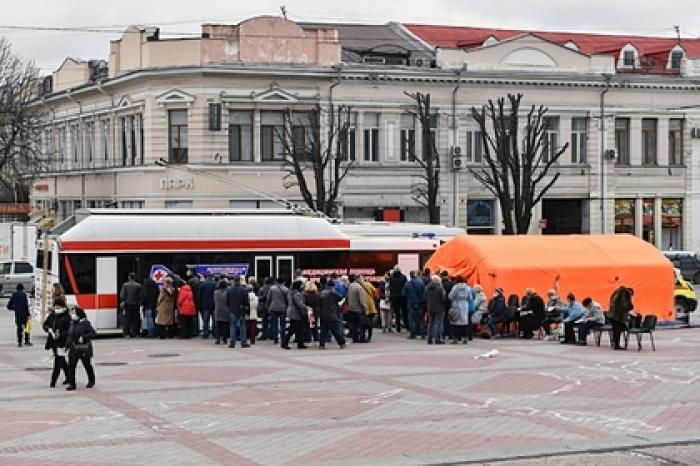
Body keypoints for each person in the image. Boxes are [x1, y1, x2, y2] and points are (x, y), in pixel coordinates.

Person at [65, 307, 97, 391]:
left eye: (74, 313)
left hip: (84, 349)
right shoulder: (72, 323)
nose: (72, 315)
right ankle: (72, 384)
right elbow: (69, 336)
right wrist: (66, 345)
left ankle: (91, 380)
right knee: (71, 366)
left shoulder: (85, 323)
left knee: (87, 365)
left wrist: (84, 337)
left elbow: (93, 333)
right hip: (73, 348)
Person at [43, 305, 70, 387]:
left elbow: (68, 330)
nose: (56, 309)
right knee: (62, 361)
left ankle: (53, 382)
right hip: (53, 342)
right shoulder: (52, 315)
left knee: (58, 361)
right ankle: (69, 377)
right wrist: (48, 329)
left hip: (62, 343)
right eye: (55, 307)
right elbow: (45, 324)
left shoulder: (67, 317)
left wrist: (60, 334)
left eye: (58, 307)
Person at [318, 278, 346, 349]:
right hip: (332, 314)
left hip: (323, 314)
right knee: (335, 330)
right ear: (332, 286)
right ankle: (342, 343)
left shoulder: (321, 293)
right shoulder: (333, 293)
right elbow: (340, 298)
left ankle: (322, 344)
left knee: (323, 331)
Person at [282, 280, 308, 349]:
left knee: (299, 329)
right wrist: (306, 307)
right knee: (292, 329)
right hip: (296, 314)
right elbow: (299, 304)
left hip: (293, 313)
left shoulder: (291, 292)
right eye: (302, 285)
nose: (303, 287)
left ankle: (300, 343)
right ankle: (285, 343)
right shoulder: (297, 294)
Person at [227, 276, 250, 348]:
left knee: (232, 327)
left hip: (232, 310)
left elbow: (227, 301)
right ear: (239, 281)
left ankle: (232, 343)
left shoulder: (230, 290)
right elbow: (246, 301)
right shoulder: (243, 289)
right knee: (242, 327)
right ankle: (243, 343)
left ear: (234, 281)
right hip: (241, 310)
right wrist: (247, 310)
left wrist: (230, 308)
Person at [608, 286, 633, 350]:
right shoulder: (625, 294)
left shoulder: (616, 293)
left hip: (612, 315)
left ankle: (614, 343)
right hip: (618, 316)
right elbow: (625, 305)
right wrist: (630, 307)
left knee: (615, 329)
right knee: (618, 330)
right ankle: (616, 345)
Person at [403, 270, 426, 340]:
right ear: (415, 275)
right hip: (420, 303)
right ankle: (422, 334)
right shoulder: (421, 282)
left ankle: (413, 334)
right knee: (421, 319)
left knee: (411, 319)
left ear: (410, 275)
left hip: (410, 303)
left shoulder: (407, 284)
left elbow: (404, 294)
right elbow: (424, 293)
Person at [448, 276, 471, 344]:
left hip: (456, 304)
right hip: (464, 305)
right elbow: (470, 298)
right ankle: (465, 338)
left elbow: (450, 296)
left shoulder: (455, 287)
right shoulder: (468, 288)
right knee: (465, 322)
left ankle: (456, 339)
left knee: (455, 321)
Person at [346, 274, 369, 343]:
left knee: (354, 325)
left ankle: (355, 338)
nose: (363, 280)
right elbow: (362, 300)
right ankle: (362, 338)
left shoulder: (350, 286)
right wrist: (365, 308)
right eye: (362, 279)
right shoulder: (359, 288)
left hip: (351, 308)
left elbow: (347, 297)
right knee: (361, 325)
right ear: (359, 279)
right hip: (359, 309)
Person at [266, 278, 289, 345]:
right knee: (283, 324)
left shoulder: (272, 288)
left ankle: (275, 338)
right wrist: (287, 306)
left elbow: (268, 298)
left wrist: (267, 306)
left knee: (274, 324)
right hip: (282, 308)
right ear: (283, 282)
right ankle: (283, 337)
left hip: (273, 308)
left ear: (276, 282)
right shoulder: (286, 289)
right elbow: (288, 299)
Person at [120, 272, 142, 338]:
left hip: (127, 304)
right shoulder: (138, 285)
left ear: (129, 277)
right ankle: (136, 333)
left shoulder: (125, 285)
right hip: (136, 304)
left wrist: (123, 301)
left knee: (127, 319)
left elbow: (122, 295)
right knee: (136, 319)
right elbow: (140, 295)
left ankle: (127, 334)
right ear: (135, 278)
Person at [425, 275, 446, 344]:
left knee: (430, 323)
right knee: (438, 323)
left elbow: (424, 297)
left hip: (430, 307)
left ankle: (429, 338)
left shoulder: (427, 288)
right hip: (439, 308)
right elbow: (443, 299)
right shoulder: (440, 289)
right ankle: (437, 339)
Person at [389, 266, 407, 333]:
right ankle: (407, 325)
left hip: (394, 297)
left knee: (397, 313)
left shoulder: (391, 277)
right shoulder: (403, 277)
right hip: (402, 297)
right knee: (404, 312)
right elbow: (406, 286)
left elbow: (388, 287)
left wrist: (389, 297)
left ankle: (398, 327)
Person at [360, 276, 378, 342]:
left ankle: (363, 336)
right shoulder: (369, 284)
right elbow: (375, 292)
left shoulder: (360, 285)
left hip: (363, 306)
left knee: (363, 322)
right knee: (370, 322)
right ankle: (369, 336)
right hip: (371, 306)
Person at [199, 274, 217, 339]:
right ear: (212, 277)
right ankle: (214, 333)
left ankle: (205, 334)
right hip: (214, 305)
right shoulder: (215, 284)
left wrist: (200, 304)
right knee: (214, 320)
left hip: (205, 305)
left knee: (206, 320)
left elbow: (200, 295)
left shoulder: (203, 284)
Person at [213, 278, 230, 345]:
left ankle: (217, 339)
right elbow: (229, 301)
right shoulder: (227, 292)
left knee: (218, 326)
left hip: (218, 310)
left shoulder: (215, 293)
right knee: (225, 326)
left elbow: (214, 301)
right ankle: (225, 339)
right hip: (226, 310)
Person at [440, 271, 454, 341]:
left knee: (442, 319)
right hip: (449, 303)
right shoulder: (450, 283)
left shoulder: (440, 284)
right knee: (449, 319)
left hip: (441, 303)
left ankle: (442, 334)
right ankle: (450, 334)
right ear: (447, 275)